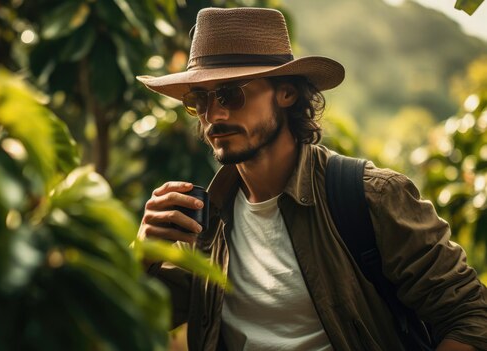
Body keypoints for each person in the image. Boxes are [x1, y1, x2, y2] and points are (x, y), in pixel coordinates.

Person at [135, 7, 487, 351]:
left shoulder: (370, 195)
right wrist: (142, 252)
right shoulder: (204, 221)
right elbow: (141, 320)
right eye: (199, 100)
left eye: (230, 93)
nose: (214, 115)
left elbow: (471, 316)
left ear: (286, 93)